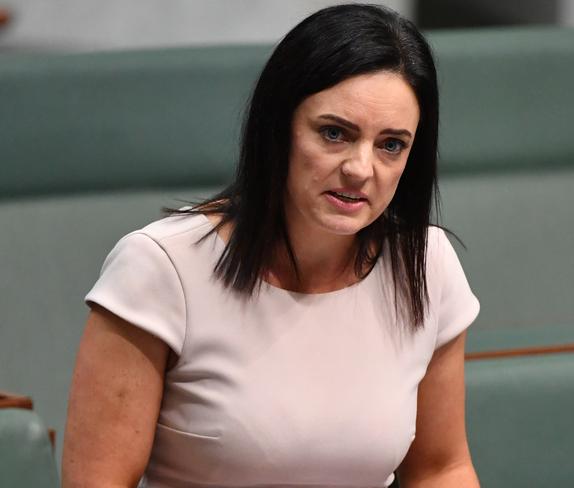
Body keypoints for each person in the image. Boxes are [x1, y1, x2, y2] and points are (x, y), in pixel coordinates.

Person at [62, 4, 480, 487]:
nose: (361, 169)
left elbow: (440, 468)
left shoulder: (426, 264)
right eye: (334, 133)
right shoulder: (161, 267)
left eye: (391, 145)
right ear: (277, 129)